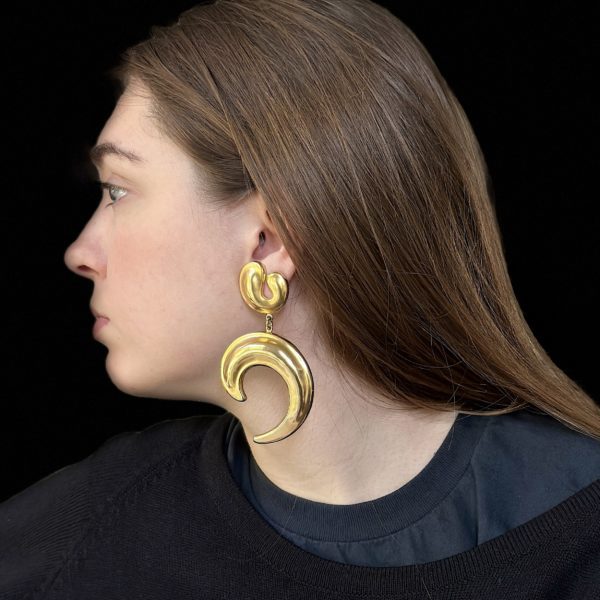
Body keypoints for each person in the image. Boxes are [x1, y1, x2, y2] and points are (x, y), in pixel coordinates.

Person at [1, 0, 599, 597]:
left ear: (269, 240)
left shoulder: (582, 533)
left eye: (117, 190)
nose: (80, 253)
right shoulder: (76, 543)